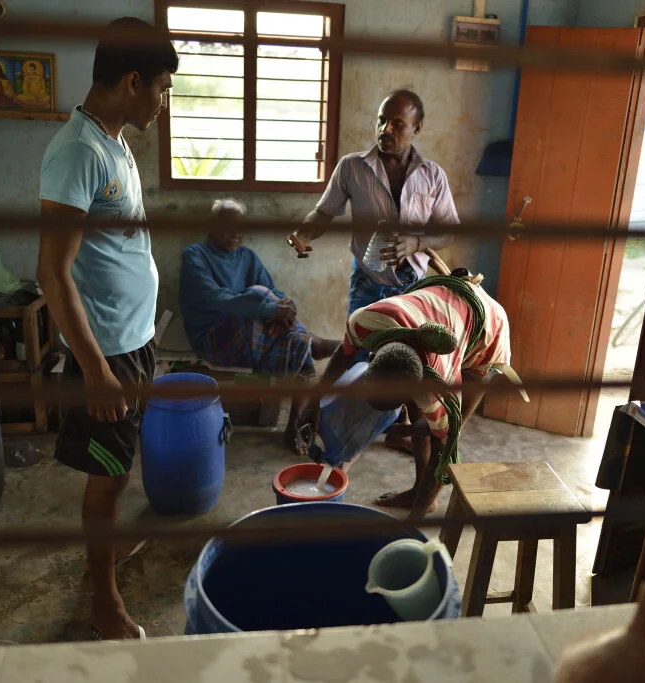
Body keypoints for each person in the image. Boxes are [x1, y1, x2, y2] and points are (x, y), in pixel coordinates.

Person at [36, 17, 178, 641]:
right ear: (133, 81)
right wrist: (94, 369)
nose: (164, 100)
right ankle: (103, 603)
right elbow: (51, 272)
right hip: (107, 352)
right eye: (162, 87)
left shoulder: (114, 141)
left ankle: (106, 550)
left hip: (134, 339)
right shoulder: (78, 152)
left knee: (118, 466)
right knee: (108, 472)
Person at [297, 270, 512, 519]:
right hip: (442, 305)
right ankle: (417, 489)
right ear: (372, 358)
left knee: (448, 431)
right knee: (420, 415)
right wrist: (314, 403)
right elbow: (343, 355)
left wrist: (412, 525)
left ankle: (424, 504)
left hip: (488, 329)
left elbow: (444, 448)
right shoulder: (365, 321)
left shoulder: (438, 387)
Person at [180, 199, 339, 446]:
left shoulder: (247, 256)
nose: (236, 233)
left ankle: (294, 423)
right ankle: (314, 345)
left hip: (250, 336)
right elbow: (218, 299)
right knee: (258, 294)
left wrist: (287, 307)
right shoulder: (195, 255)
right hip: (214, 340)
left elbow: (273, 292)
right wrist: (270, 310)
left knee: (292, 338)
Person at [291, 89, 459, 316]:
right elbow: (324, 212)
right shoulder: (351, 167)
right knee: (359, 337)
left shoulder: (433, 175)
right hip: (365, 278)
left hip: (411, 282)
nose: (385, 129)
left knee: (403, 339)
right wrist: (304, 234)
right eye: (382, 120)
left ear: (417, 128)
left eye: (397, 123)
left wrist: (416, 243)